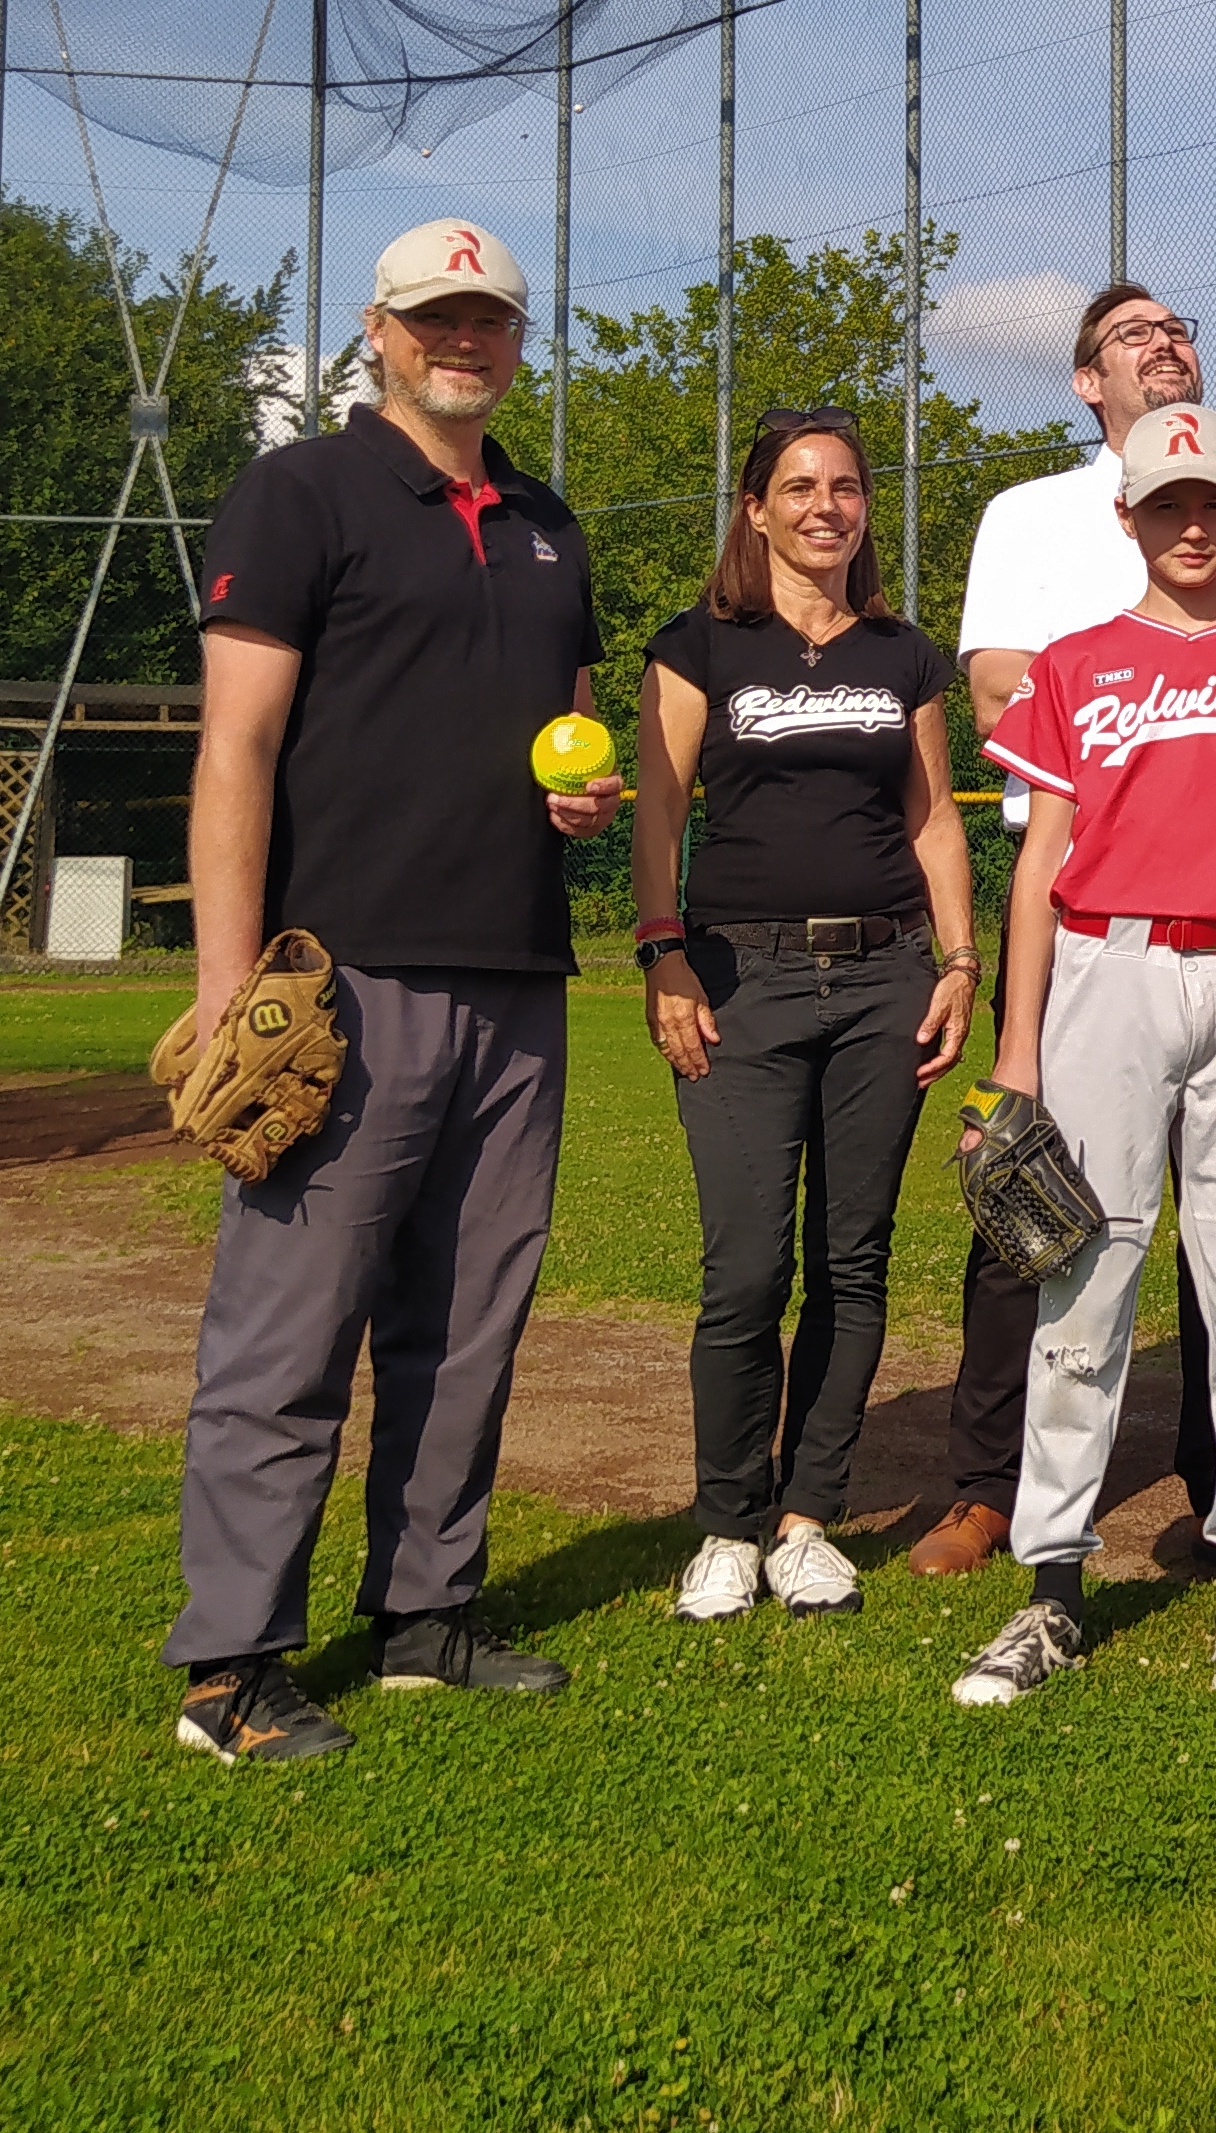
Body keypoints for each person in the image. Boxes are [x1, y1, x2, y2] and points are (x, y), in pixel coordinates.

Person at [164, 217, 621, 1764]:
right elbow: (233, 747)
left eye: (487, 316)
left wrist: (584, 800)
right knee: (287, 1336)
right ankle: (231, 1663)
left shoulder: (551, 523)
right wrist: (231, 981)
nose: (464, 338)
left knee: (468, 1322)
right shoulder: (302, 493)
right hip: (342, 978)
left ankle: (427, 1614)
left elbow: (568, 730)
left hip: (518, 976)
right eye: (436, 316)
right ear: (378, 331)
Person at [917, 283, 1216, 1581]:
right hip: (1092, 931)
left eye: (1179, 326)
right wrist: (1020, 1035)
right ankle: (1006, 1502)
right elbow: (998, 682)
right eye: (1131, 335)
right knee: (1050, 1229)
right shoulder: (1035, 520)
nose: (1164, 343)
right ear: (1088, 383)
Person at [635, 407, 978, 1626]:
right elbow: (660, 817)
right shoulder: (699, 648)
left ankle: (805, 1519)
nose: (824, 506)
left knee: (852, 1260)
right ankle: (726, 1521)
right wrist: (662, 955)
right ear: (755, 509)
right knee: (744, 1271)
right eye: (798, 486)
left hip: (885, 975)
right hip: (739, 979)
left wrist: (958, 959)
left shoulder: (903, 653)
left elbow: (934, 820)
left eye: (845, 487)